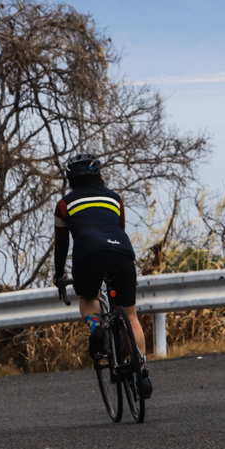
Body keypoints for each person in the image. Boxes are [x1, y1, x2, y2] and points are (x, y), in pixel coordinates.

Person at [53, 153, 152, 399]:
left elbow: (62, 245)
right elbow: (118, 229)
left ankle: (96, 325)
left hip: (88, 254)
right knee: (130, 314)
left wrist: (58, 276)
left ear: (70, 178)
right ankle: (143, 372)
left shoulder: (64, 205)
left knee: (88, 297)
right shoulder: (115, 199)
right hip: (121, 251)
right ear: (99, 175)